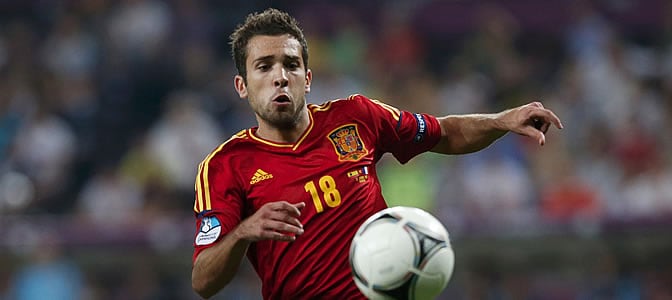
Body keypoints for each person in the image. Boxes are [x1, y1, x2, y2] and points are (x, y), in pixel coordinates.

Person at [190, 8, 563, 300]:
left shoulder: (356, 117)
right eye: (264, 66)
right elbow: (203, 280)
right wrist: (243, 233)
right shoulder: (225, 167)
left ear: (308, 78)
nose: (280, 76)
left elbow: (445, 132)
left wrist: (501, 120)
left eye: (291, 64)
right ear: (242, 85)